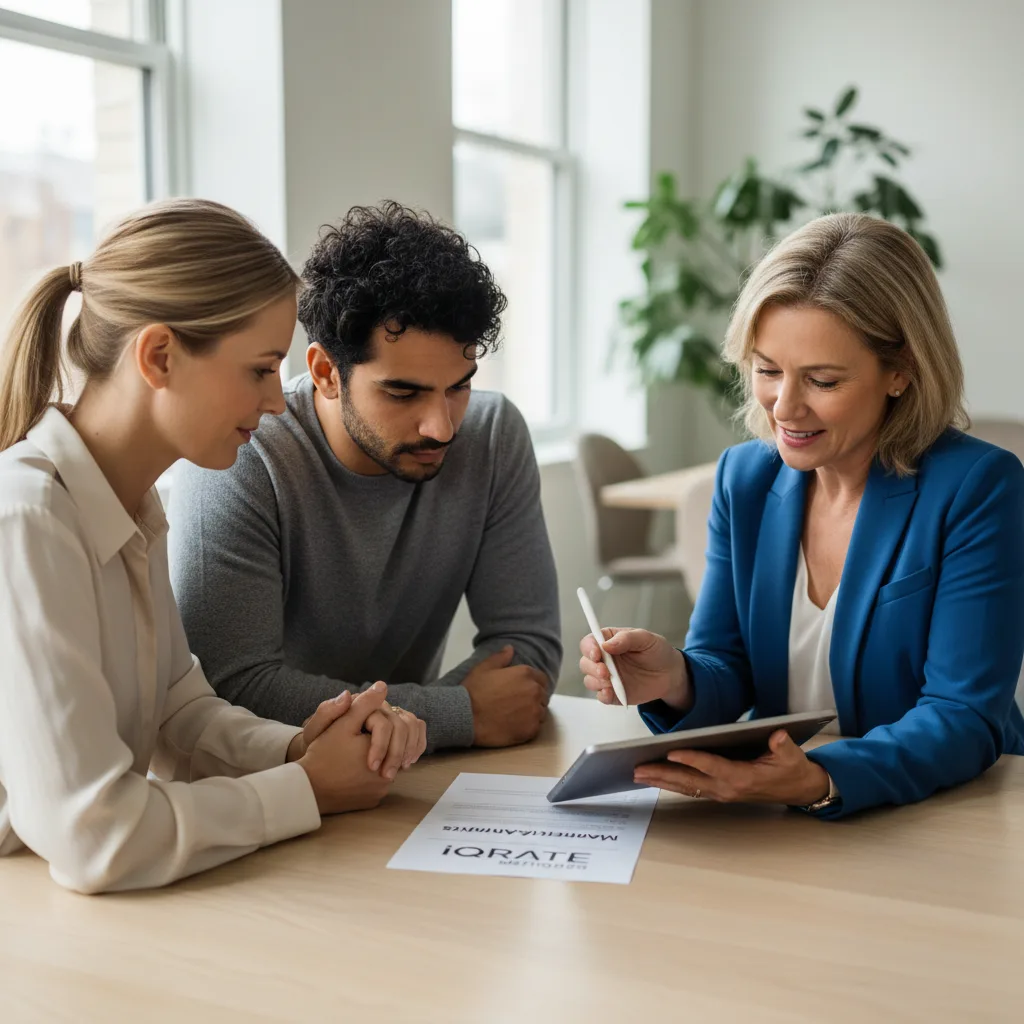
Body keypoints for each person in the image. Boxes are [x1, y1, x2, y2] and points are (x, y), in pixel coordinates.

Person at [0, 199, 426, 894]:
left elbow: (178, 712)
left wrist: (301, 749)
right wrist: (305, 791)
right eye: (261, 370)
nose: (275, 402)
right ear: (160, 355)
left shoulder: (134, 504)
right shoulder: (27, 517)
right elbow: (93, 835)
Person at [580, 212, 1024, 819]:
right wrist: (673, 679)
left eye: (821, 380)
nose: (784, 406)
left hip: (942, 812)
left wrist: (817, 779)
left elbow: (964, 715)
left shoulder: (978, 487)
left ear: (901, 371)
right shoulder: (745, 478)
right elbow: (728, 668)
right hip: (778, 814)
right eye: (767, 370)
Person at [168, 201, 560, 753]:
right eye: (403, 392)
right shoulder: (242, 453)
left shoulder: (493, 434)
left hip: (400, 775)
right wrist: (460, 713)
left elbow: (526, 657)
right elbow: (233, 687)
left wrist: (408, 730)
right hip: (267, 779)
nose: (442, 427)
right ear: (327, 372)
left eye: (459, 386)